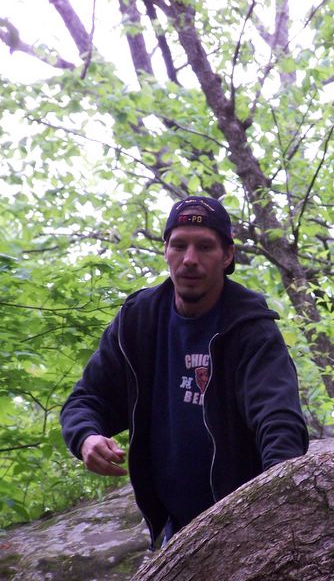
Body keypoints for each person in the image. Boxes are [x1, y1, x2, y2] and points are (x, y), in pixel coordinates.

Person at [60, 196, 309, 546]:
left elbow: (279, 423)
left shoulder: (250, 328)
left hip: (245, 526)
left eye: (204, 247)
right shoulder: (139, 320)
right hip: (173, 529)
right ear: (166, 251)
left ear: (227, 255)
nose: (190, 259)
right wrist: (87, 437)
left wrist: (273, 508)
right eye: (179, 245)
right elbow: (87, 399)